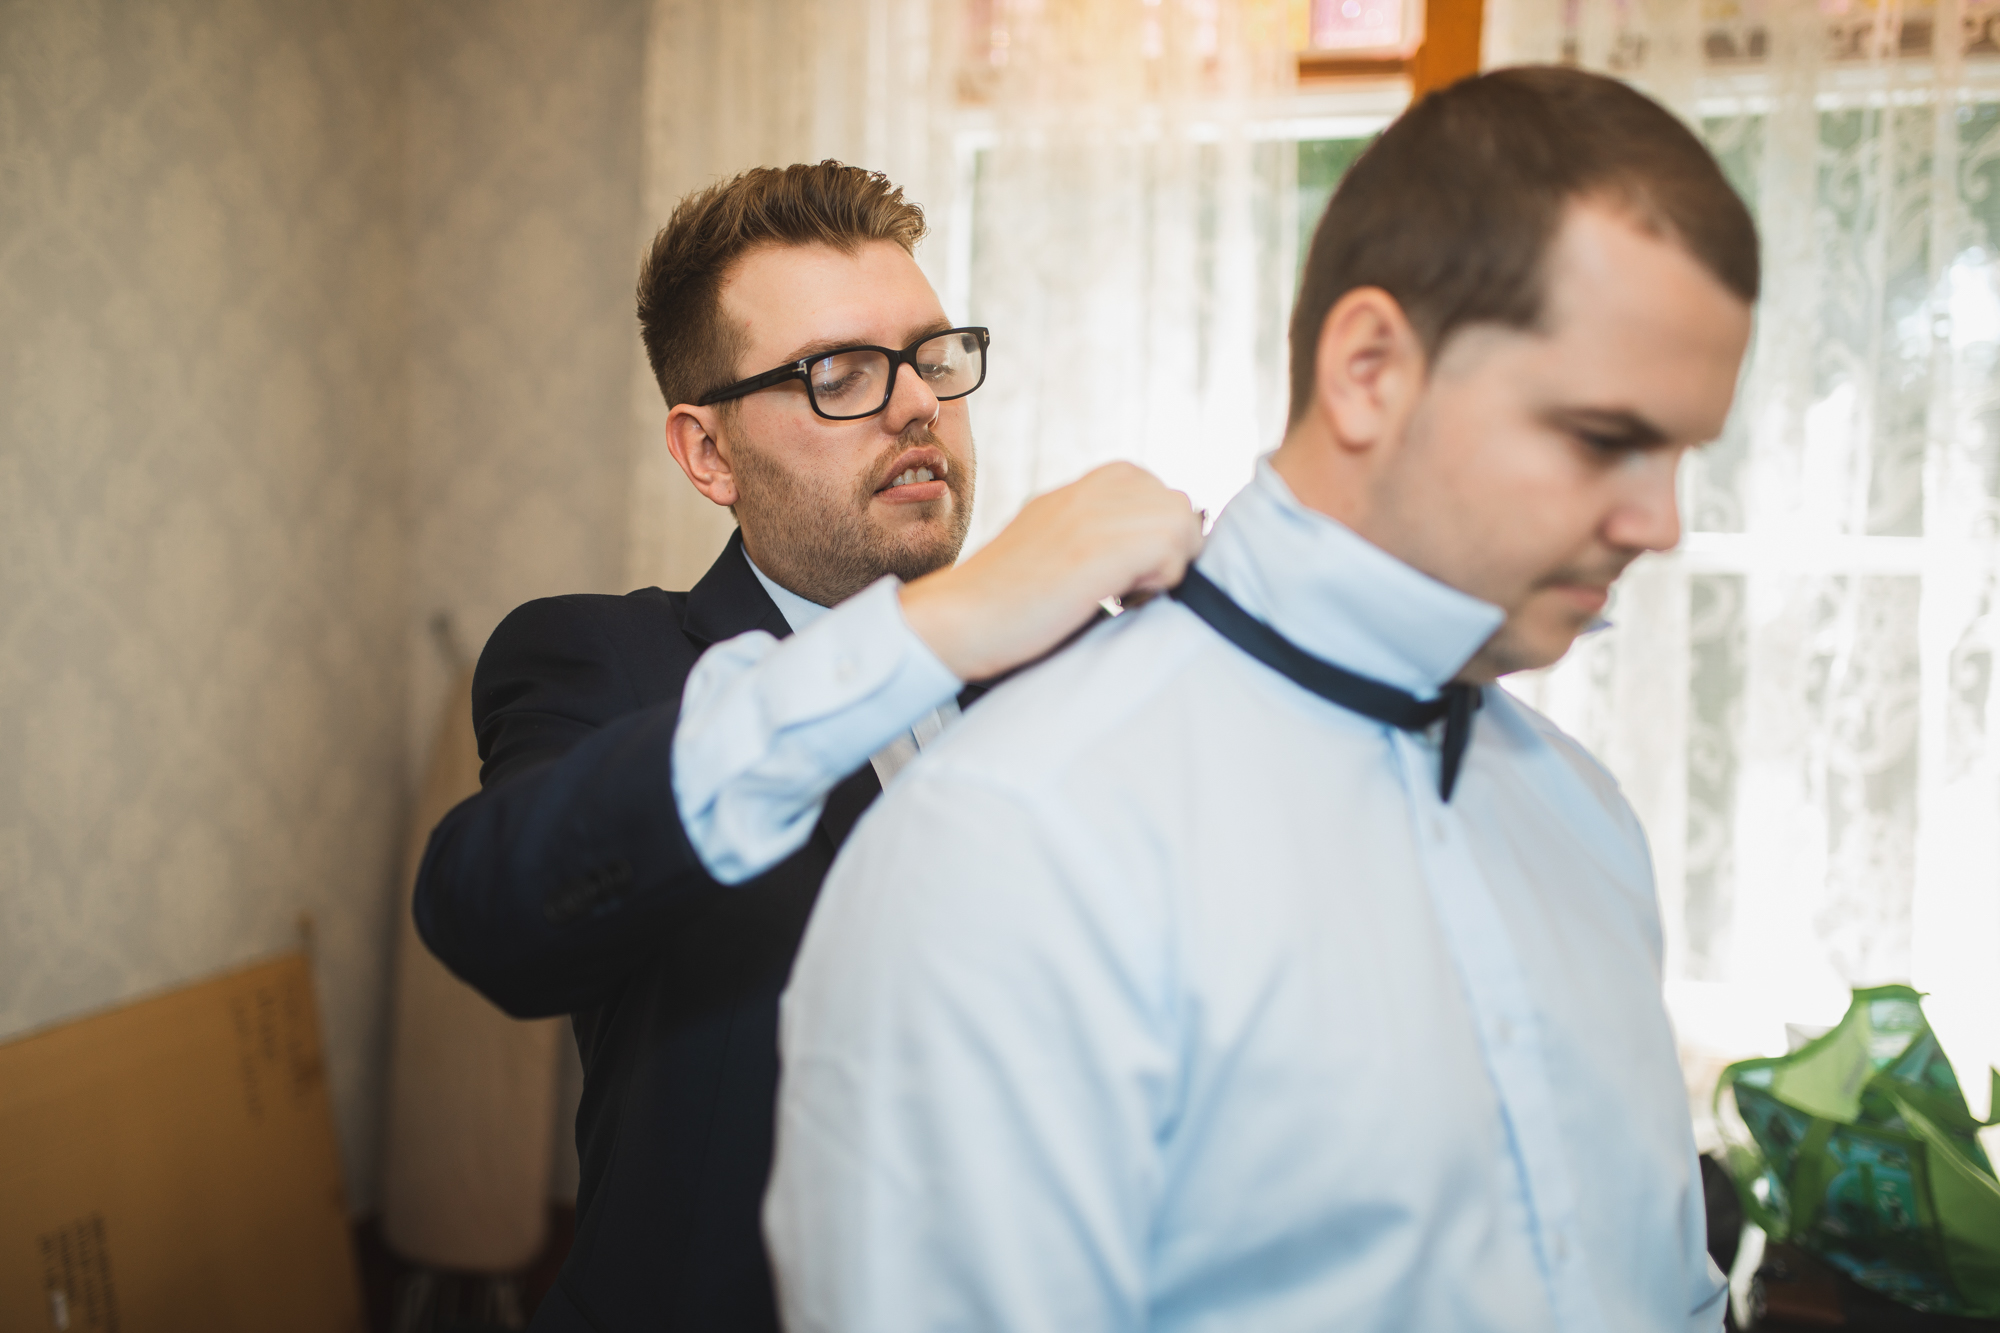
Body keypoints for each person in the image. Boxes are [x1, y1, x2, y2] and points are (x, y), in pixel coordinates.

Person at [766, 67, 1759, 1332]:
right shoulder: (1012, 840)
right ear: (1366, 370)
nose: (1658, 524)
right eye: (1601, 437)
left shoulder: (1589, 824)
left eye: (1680, 452)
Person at [413, 162, 1202, 1333]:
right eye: (836, 373)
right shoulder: (604, 662)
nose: (916, 405)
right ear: (707, 455)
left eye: (932, 356)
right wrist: (933, 626)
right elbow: (495, 911)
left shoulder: (1074, 667)